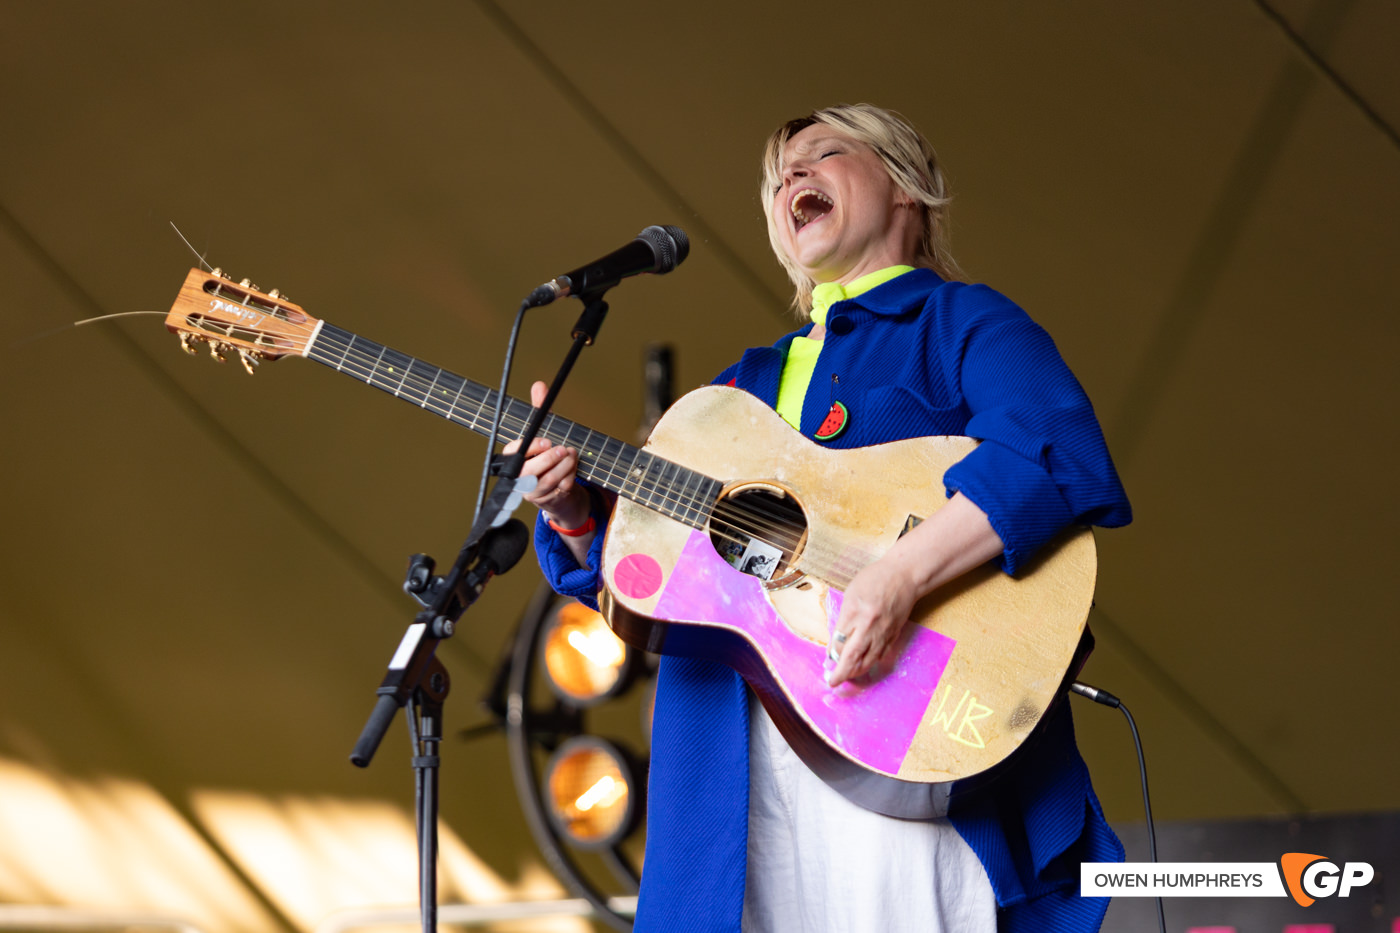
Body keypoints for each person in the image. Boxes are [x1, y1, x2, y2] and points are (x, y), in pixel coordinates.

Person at [512, 104, 1132, 932]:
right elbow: (655, 589)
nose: (791, 179)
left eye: (821, 156)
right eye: (777, 179)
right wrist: (576, 511)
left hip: (904, 749)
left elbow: (1053, 447)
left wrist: (902, 574)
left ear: (906, 186)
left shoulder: (961, 323)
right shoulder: (736, 393)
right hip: (733, 787)